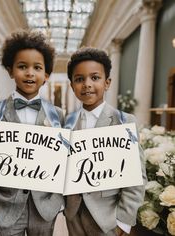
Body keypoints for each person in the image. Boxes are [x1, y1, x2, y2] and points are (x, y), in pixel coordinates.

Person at [0, 30, 64, 236]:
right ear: (10, 70)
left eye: (37, 67)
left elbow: (60, 160)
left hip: (44, 208)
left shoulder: (57, 115)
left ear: (46, 75)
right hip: (4, 206)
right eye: (22, 66)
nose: (29, 73)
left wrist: (57, 199)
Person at [64, 47, 147, 236]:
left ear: (107, 82)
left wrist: (123, 222)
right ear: (72, 85)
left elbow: (136, 178)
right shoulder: (65, 123)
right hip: (74, 216)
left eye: (95, 78)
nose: (87, 84)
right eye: (79, 79)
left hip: (108, 219)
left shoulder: (124, 121)